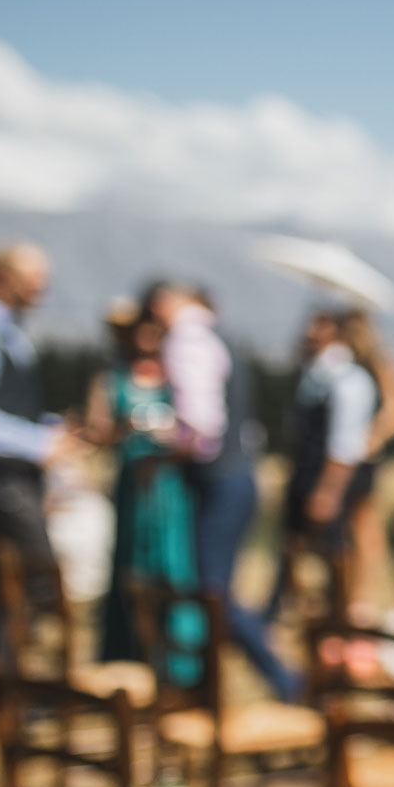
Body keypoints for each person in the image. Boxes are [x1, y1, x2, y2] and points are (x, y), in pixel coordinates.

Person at [145, 280, 299, 700]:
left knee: (212, 592)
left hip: (215, 479)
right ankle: (213, 684)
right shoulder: (222, 338)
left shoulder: (185, 338)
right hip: (239, 475)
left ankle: (284, 681)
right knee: (215, 591)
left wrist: (164, 442)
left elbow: (201, 427)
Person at [0, 242, 86, 657]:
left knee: (10, 588)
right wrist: (40, 443)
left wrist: (56, 431)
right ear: (4, 279)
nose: (43, 288)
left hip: (13, 475)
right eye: (34, 279)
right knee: (37, 579)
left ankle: (3, 689)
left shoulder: (11, 330)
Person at [85, 305, 198, 671]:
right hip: (133, 485)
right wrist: (127, 427)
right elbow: (97, 432)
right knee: (130, 570)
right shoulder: (111, 378)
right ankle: (127, 658)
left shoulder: (175, 375)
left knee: (174, 568)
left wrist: (172, 440)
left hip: (168, 486)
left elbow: (198, 431)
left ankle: (178, 663)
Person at [270, 308, 378, 619]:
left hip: (325, 483)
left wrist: (328, 490)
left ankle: (335, 621)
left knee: (334, 559)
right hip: (306, 478)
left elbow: (345, 444)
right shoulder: (314, 375)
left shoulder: (349, 380)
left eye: (318, 326)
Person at [338, 307, 394, 617]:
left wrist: (375, 434)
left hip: (364, 453)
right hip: (350, 450)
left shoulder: (380, 359)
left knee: (364, 523)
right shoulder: (351, 361)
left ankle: (364, 596)